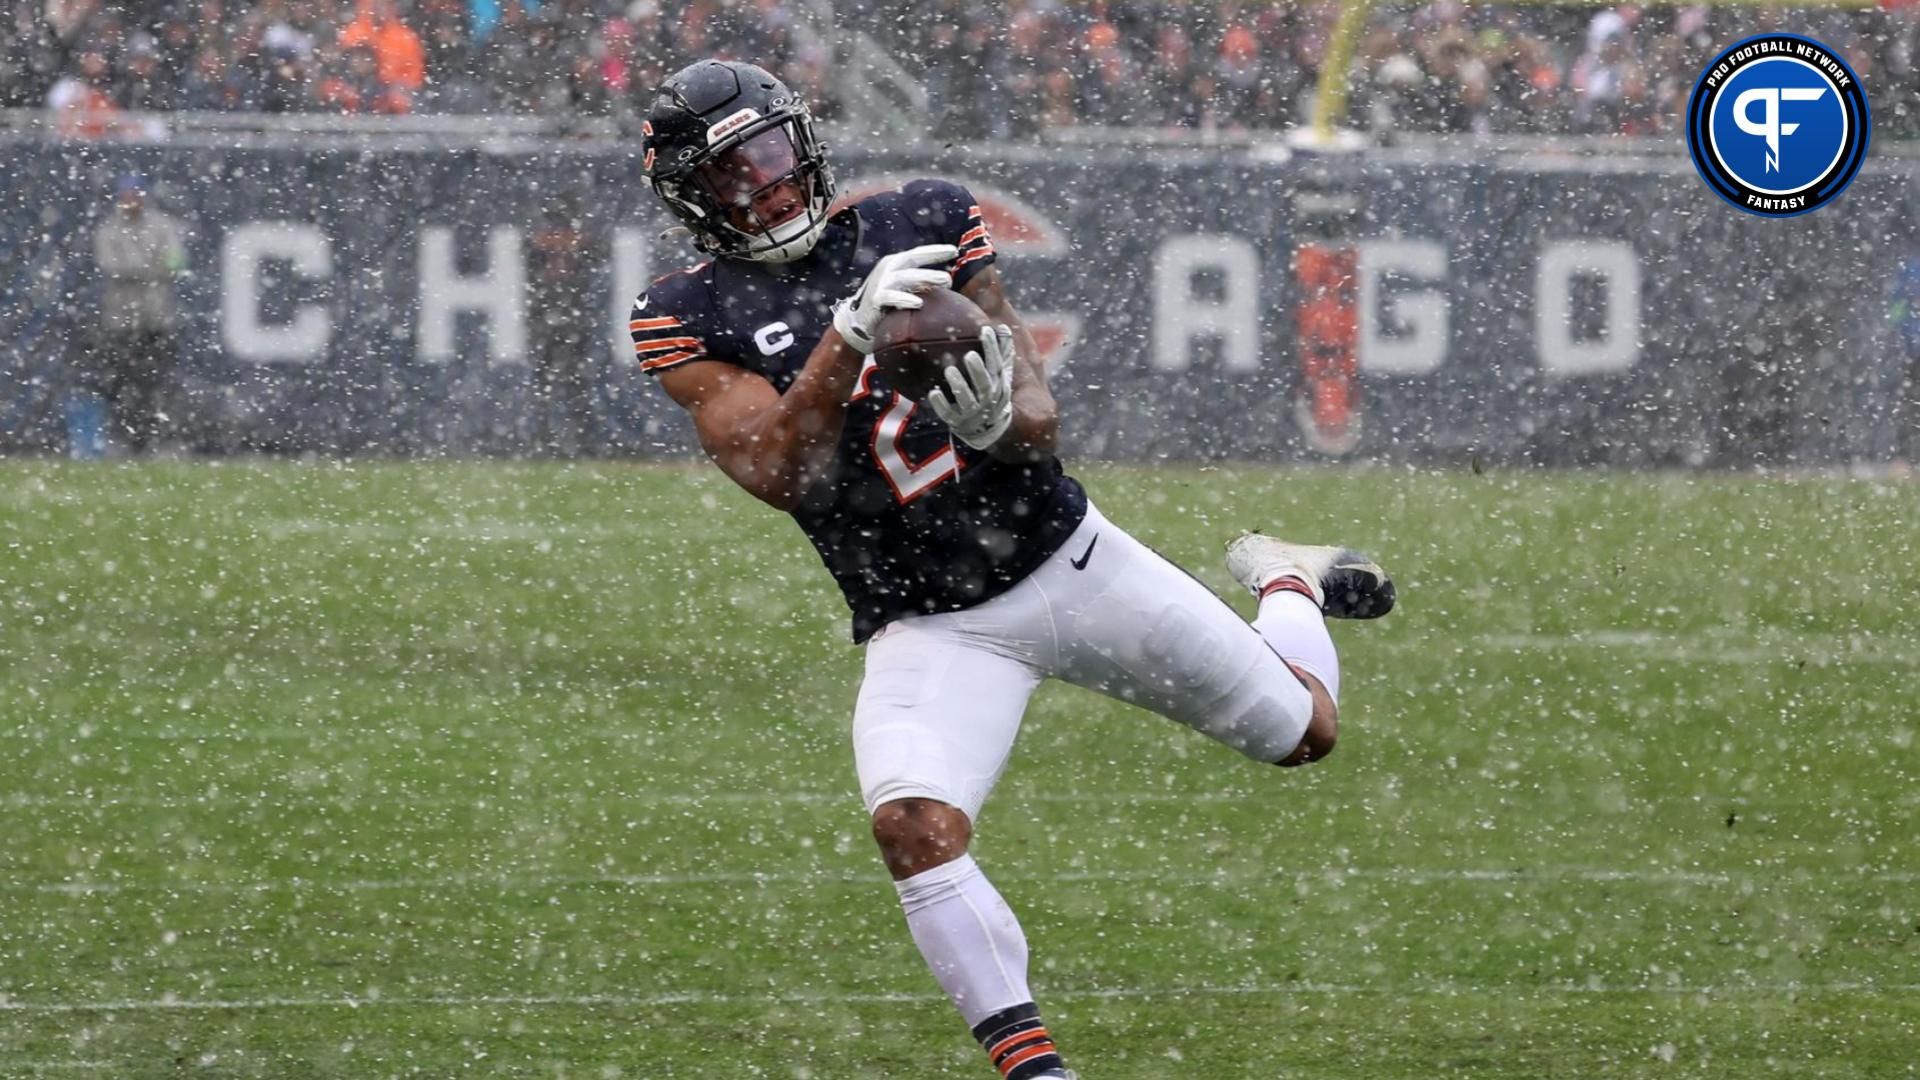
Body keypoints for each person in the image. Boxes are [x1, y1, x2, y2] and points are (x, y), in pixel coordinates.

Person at [630, 60, 1396, 1080]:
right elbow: (778, 470)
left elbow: (1039, 420)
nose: (766, 185)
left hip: (1066, 559)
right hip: (929, 623)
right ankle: (1036, 1069)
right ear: (696, 197)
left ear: (804, 141)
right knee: (911, 821)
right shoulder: (687, 314)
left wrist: (995, 422)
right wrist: (844, 340)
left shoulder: (924, 221)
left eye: (772, 155)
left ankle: (1285, 576)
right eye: (735, 174)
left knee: (1306, 734)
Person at [90, 174, 187, 453]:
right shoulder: (109, 230)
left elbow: (176, 262)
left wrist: (143, 270)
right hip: (121, 321)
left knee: (157, 383)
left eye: (135, 195)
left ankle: (154, 439)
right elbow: (112, 266)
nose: (131, 202)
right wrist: (151, 269)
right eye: (126, 196)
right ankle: (124, 439)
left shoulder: (162, 226)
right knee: (122, 383)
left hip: (156, 318)